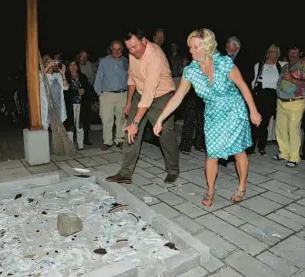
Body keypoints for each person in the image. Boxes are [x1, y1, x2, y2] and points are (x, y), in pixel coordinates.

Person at [153, 28, 261, 207]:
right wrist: (160, 119)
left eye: (196, 47)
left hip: (234, 110)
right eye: (190, 47)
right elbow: (177, 97)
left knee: (238, 151)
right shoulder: (191, 71)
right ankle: (210, 190)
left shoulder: (225, 63)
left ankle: (242, 187)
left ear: (207, 47)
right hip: (213, 114)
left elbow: (242, 86)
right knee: (212, 154)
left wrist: (253, 110)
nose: (191, 51)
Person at [106, 28, 179, 184]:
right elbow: (132, 77)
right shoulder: (133, 53)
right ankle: (125, 173)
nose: (132, 51)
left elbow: (149, 93)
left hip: (161, 97)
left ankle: (172, 169)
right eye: (129, 49)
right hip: (141, 94)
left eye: (135, 47)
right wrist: (129, 101)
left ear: (144, 41)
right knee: (130, 133)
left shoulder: (155, 56)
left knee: (165, 134)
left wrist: (136, 122)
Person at [94, 40, 129, 150]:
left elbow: (130, 78)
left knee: (121, 119)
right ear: (111, 49)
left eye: (119, 49)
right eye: (114, 49)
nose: (116, 51)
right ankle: (107, 141)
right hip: (107, 95)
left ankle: (120, 140)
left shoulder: (126, 61)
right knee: (106, 119)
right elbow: (98, 79)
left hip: (123, 94)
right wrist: (101, 95)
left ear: (122, 49)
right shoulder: (104, 61)